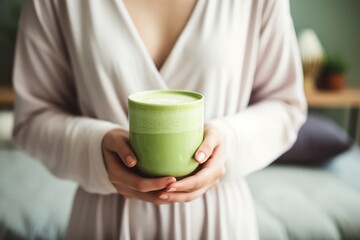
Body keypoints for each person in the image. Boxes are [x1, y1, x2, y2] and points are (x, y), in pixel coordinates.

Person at [12, 0, 307, 239]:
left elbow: (286, 104)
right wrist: (94, 148)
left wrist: (227, 142)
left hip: (217, 222)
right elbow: (32, 118)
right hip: (103, 223)